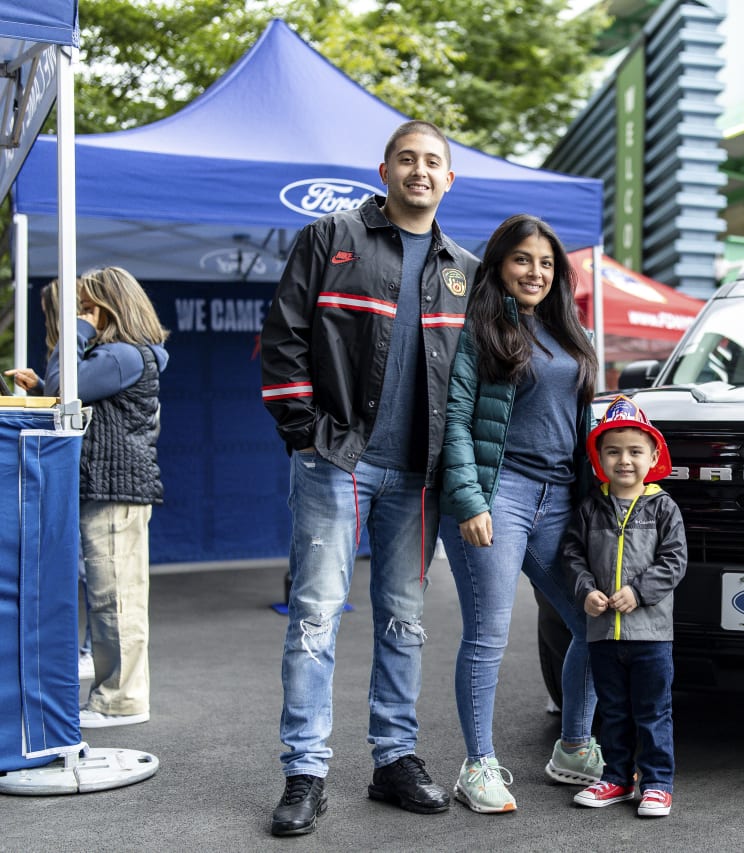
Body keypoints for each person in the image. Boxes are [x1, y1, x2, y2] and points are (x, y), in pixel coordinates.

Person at [258, 119, 478, 837]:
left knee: (405, 623)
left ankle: (394, 759)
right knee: (316, 617)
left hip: (419, 479)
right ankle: (305, 772)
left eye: (433, 162)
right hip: (337, 465)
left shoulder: (463, 271)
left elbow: (476, 379)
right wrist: (308, 438)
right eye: (407, 159)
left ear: (450, 180)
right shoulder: (330, 238)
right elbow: (283, 339)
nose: (420, 170)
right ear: (382, 169)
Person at [439, 213, 602, 814]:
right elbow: (456, 418)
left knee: (592, 624)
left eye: (545, 263)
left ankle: (574, 747)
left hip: (561, 497)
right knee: (488, 634)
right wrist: (469, 499)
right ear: (500, 266)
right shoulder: (480, 328)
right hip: (497, 492)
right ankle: (477, 765)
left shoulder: (570, 331)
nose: (534, 272)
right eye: (521, 260)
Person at [6, 269, 170, 729]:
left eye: (86, 306)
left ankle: (121, 699)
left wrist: (73, 334)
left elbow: (66, 388)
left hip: (115, 488)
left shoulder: (121, 354)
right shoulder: (123, 355)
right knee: (111, 595)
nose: (79, 315)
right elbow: (67, 396)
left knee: (115, 598)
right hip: (110, 486)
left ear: (106, 307)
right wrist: (42, 389)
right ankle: (114, 693)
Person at [562, 395, 686, 818]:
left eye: (635, 451)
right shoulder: (589, 508)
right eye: (613, 451)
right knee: (613, 712)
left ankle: (657, 783)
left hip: (651, 635)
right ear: (598, 457)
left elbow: (674, 561)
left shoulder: (664, 507)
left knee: (653, 712)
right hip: (603, 635)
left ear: (653, 454)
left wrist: (638, 591)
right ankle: (616, 778)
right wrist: (585, 591)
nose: (625, 460)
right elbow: (572, 556)